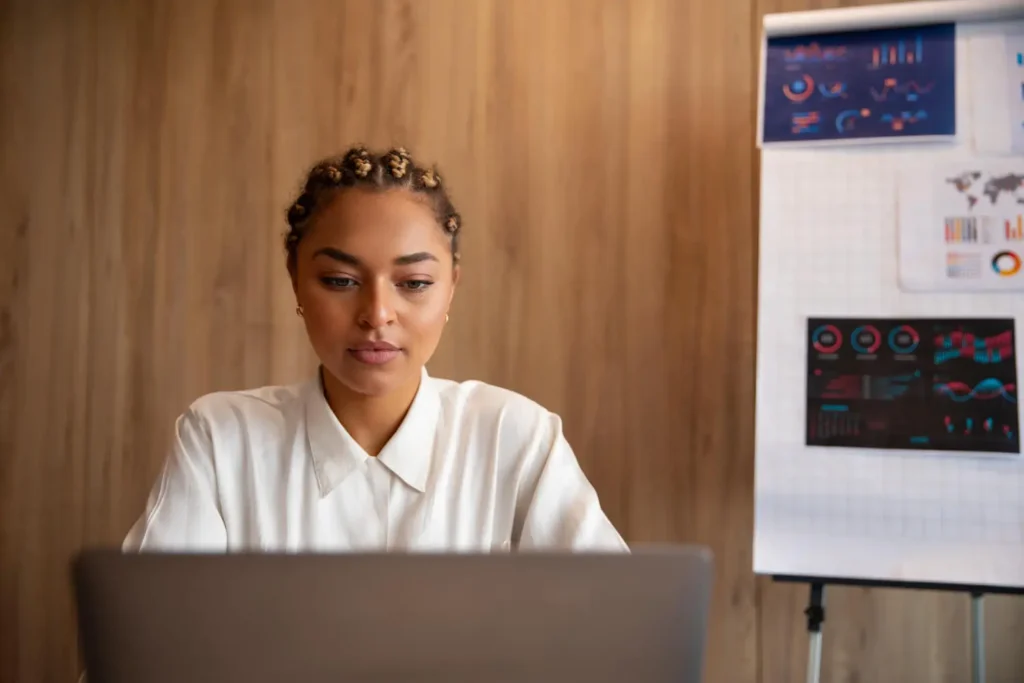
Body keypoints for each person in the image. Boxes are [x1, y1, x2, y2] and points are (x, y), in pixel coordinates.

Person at [123, 146, 627, 554]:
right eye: (341, 280)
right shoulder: (221, 441)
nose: (377, 313)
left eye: (414, 283)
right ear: (296, 283)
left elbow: (618, 635)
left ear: (451, 287)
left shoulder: (515, 439)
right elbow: (144, 650)